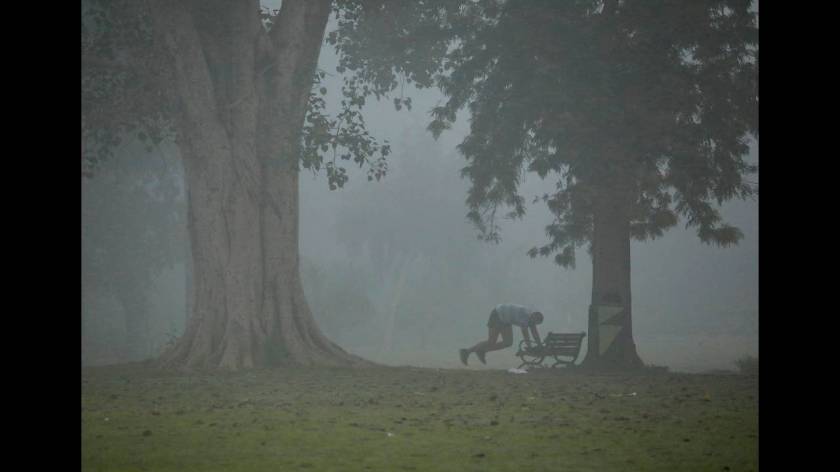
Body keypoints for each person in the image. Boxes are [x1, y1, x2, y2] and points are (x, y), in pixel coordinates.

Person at [459, 304, 544, 365]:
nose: (534, 324)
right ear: (533, 317)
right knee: (491, 341)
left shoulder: (532, 316)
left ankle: (482, 350)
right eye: (534, 322)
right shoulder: (525, 316)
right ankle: (466, 351)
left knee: (508, 342)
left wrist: (539, 345)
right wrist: (529, 347)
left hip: (506, 320)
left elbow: (534, 332)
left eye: (536, 323)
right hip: (497, 314)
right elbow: (525, 333)